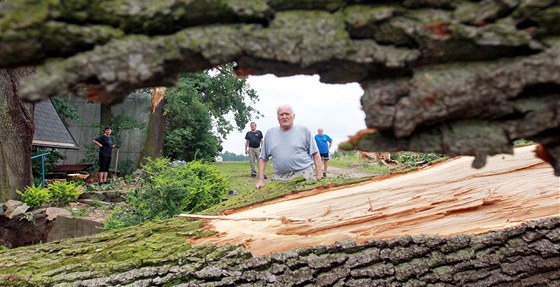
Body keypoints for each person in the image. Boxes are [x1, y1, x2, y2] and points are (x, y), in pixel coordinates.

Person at [256, 105, 322, 189]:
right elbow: (263, 159)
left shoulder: (304, 130)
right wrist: (261, 180)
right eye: (281, 114)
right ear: (277, 117)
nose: (284, 117)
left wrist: (319, 177)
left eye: (287, 114)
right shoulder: (270, 133)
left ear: (293, 116)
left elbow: (316, 154)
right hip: (280, 178)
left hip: (303, 175)